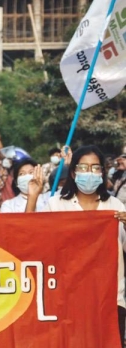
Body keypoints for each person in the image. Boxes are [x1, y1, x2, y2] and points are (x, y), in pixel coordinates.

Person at [28, 145, 126, 344]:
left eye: (95, 168)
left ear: (102, 172)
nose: (89, 173)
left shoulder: (114, 206)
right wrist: (33, 197)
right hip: (68, 300)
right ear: (73, 172)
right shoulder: (57, 205)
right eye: (83, 167)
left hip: (110, 299)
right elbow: (30, 238)